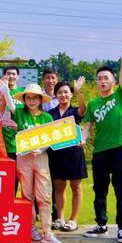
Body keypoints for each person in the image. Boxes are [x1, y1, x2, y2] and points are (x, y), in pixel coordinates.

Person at [82, 32, 122, 243]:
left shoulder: (120, 96)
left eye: (106, 78)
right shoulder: (93, 103)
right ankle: (101, 223)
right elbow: (87, 126)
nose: (102, 81)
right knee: (100, 190)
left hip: (119, 150)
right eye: (99, 78)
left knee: (121, 189)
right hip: (100, 153)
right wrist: (82, 138)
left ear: (113, 81)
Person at [0, 80, 61, 243]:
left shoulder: (47, 117)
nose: (32, 101)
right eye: (28, 98)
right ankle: (30, 227)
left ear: (41, 100)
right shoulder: (19, 112)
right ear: (24, 99)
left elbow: (50, 138)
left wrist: (40, 149)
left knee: (44, 195)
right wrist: (5, 92)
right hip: (23, 158)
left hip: (41, 158)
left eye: (35, 98)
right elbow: (11, 107)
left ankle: (47, 232)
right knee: (27, 195)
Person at [47, 77, 87, 232]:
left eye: (66, 92)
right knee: (58, 186)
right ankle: (60, 218)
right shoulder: (50, 114)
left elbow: (83, 109)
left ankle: (73, 220)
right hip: (56, 155)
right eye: (59, 92)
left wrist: (78, 90)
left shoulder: (75, 111)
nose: (63, 95)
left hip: (74, 154)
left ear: (71, 94)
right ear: (55, 95)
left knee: (76, 186)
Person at [0, 39, 24, 165]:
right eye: (8, 74)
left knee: (20, 178)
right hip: (1, 140)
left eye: (14, 74)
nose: (11, 76)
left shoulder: (23, 94)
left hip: (19, 141)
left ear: (18, 77)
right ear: (4, 76)